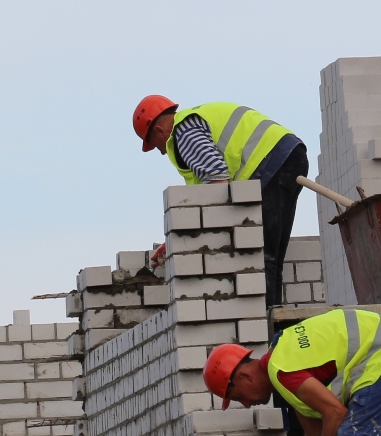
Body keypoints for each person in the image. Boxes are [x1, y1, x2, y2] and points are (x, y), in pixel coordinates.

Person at [132, 95, 309, 306]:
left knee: (261, 254)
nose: (161, 152)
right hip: (286, 157)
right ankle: (271, 317)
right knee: (271, 255)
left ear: (159, 131)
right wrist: (176, 239)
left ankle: (265, 320)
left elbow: (218, 182)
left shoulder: (184, 134)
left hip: (274, 163)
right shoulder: (192, 125)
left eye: (154, 145)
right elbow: (205, 196)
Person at [205, 309, 381, 436]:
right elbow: (313, 435)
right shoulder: (281, 368)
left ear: (244, 377)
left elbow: (335, 412)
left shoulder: (283, 371)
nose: (246, 404)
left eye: (237, 397)